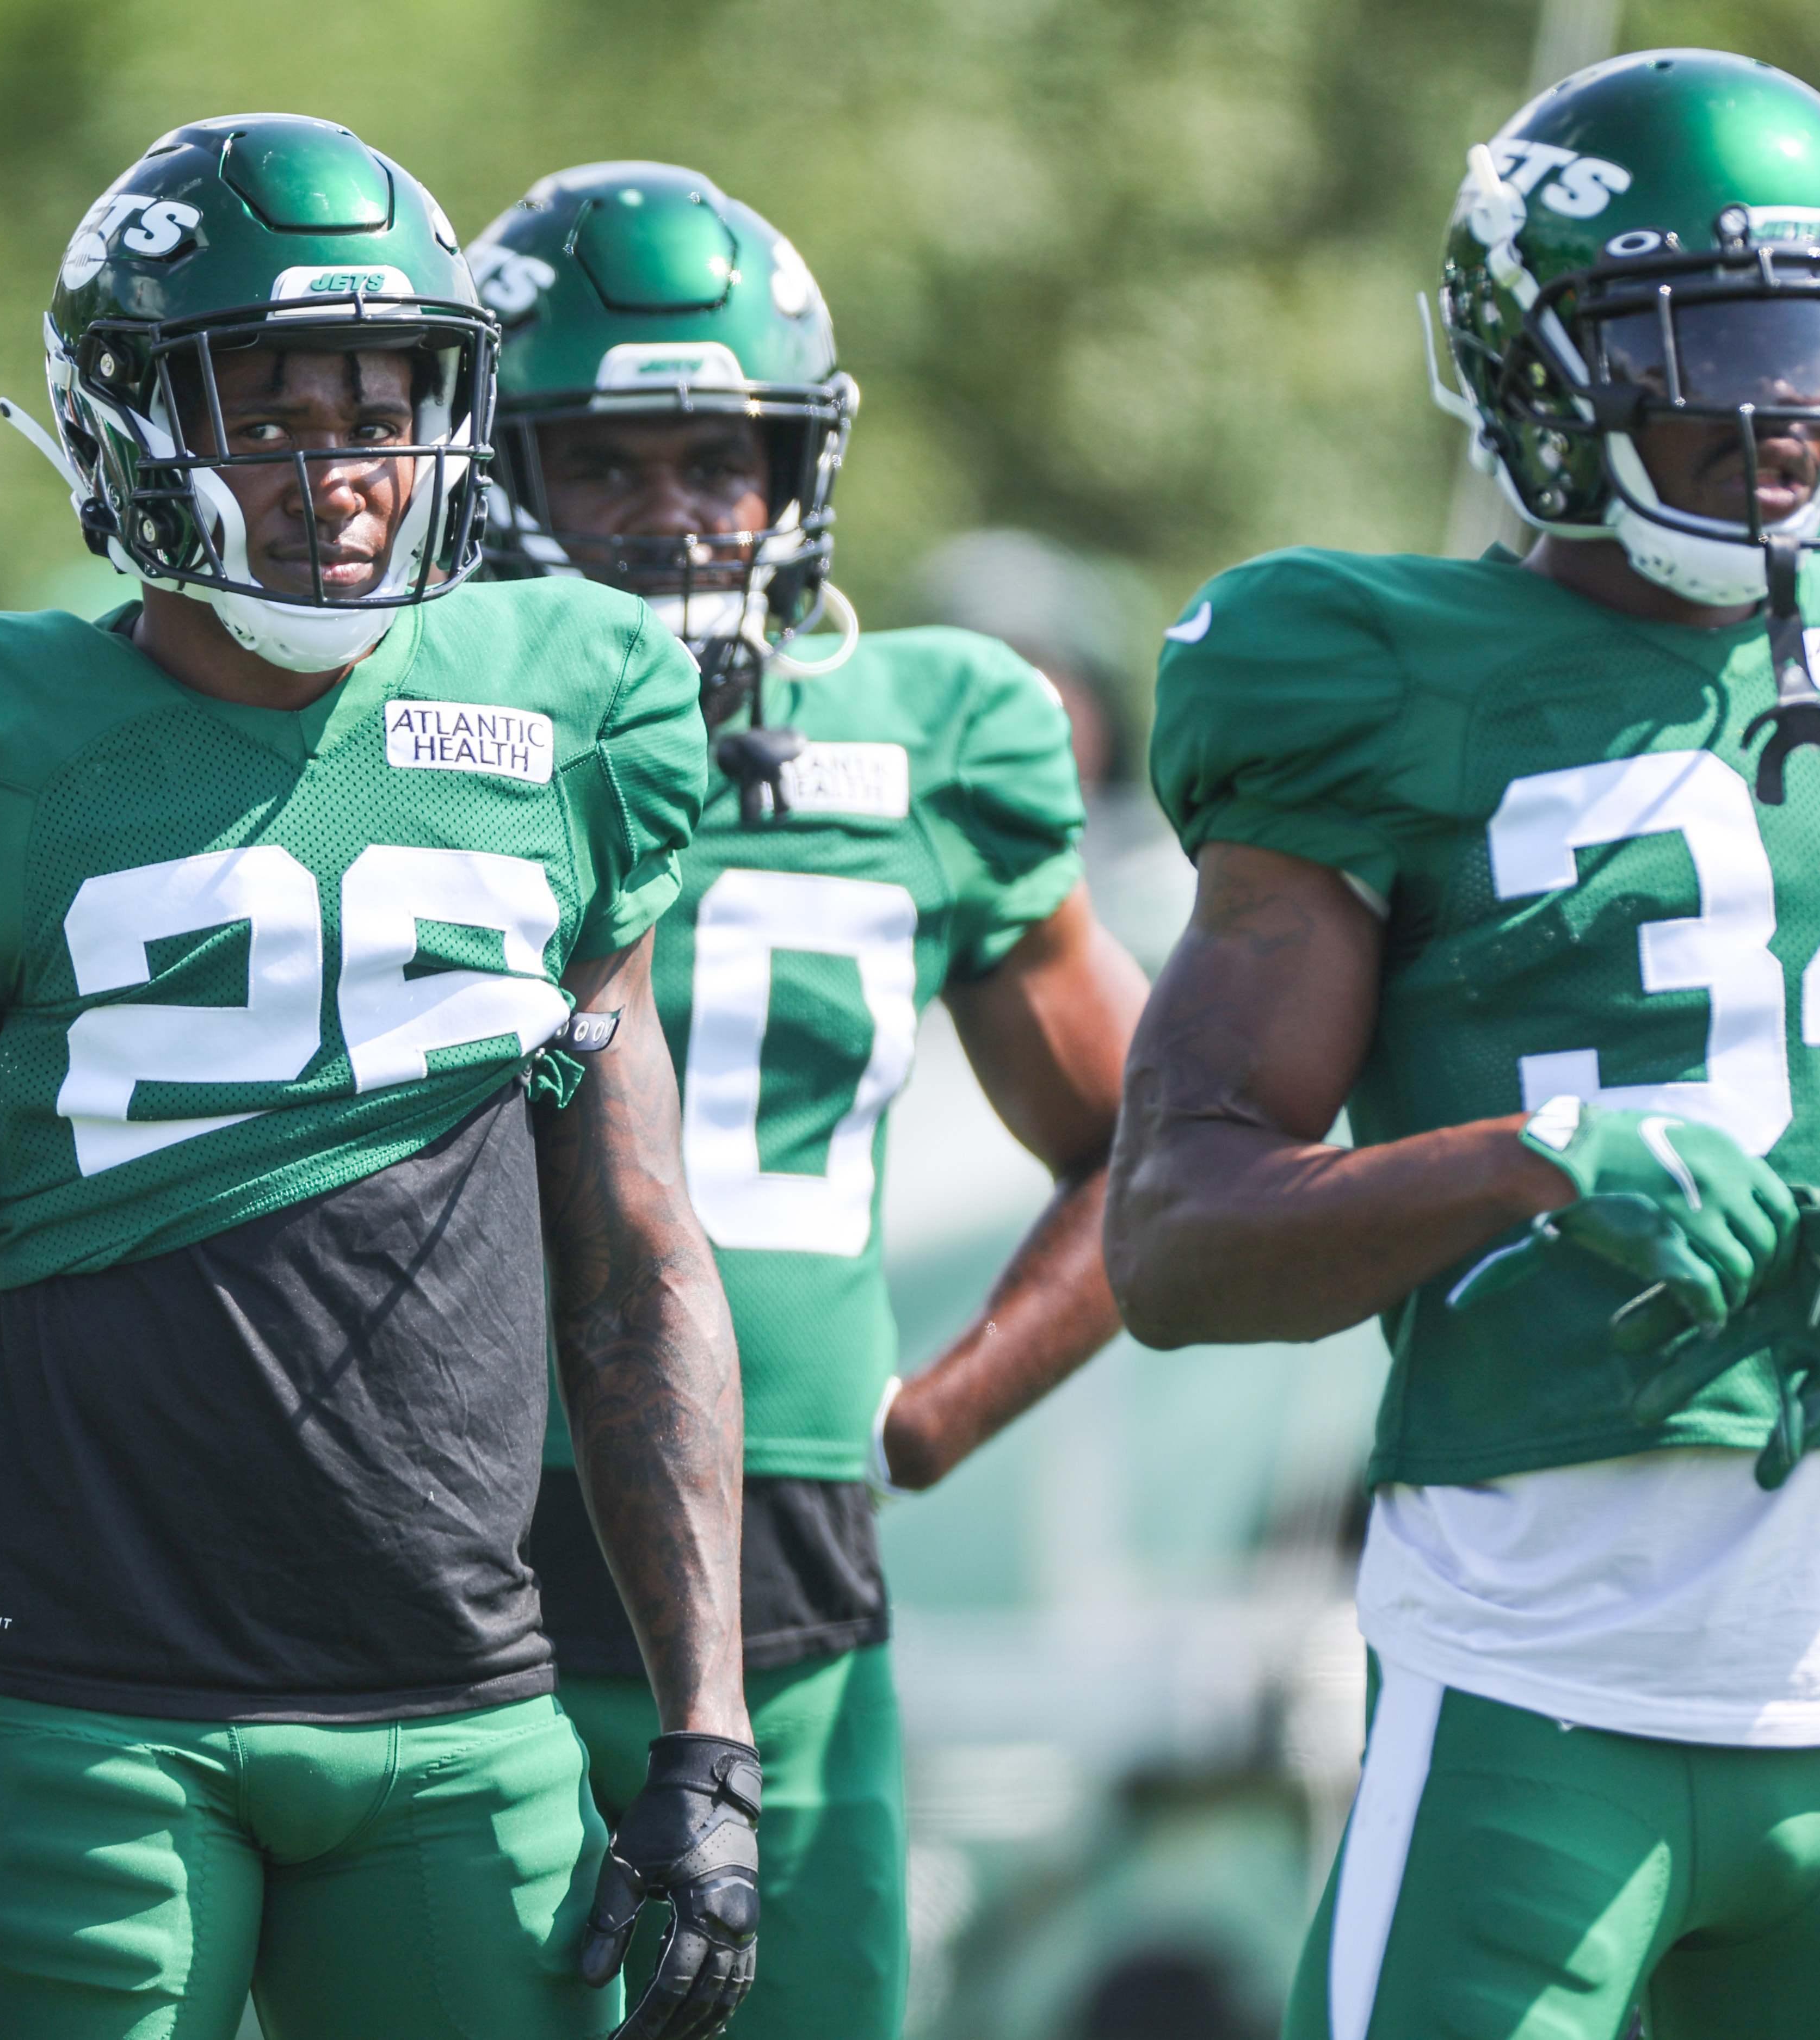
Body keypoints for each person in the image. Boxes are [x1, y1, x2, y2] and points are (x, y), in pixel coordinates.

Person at [0, 114, 758, 2040]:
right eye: (270, 413)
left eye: (381, 412)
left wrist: (706, 1735)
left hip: (468, 1713)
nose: (340, 478)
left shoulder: (574, 711)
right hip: (97, 1713)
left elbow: (637, 1260)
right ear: (129, 422)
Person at [1108, 50, 1820, 2038]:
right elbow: (1170, 1236)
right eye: (1700, 347)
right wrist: (1532, 1151)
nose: (1773, 410)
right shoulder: (1367, 668)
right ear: (1533, 365)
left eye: (1804, 340)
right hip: (1541, 1687)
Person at [470, 163, 1150, 2039]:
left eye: (721, 457)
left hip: (787, 1564)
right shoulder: (394, 731)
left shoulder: (934, 732)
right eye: (606, 463)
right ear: (494, 470)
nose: (675, 514)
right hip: (440, 1545)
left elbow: (1156, 1141)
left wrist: (928, 1418)